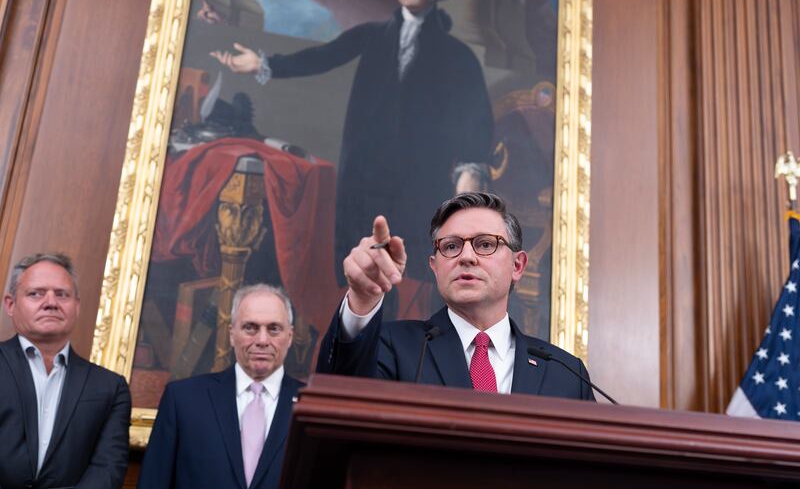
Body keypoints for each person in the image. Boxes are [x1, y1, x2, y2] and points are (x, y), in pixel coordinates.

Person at [211, 0, 494, 285]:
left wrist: (471, 169)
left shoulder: (457, 55)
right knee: (362, 266)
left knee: (414, 270)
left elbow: (475, 116)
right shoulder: (372, 35)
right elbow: (322, 57)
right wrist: (262, 64)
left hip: (420, 178)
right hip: (367, 174)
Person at [316, 193, 596, 400]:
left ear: (517, 266)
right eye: (451, 246)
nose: (466, 257)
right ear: (435, 267)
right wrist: (362, 299)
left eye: (485, 244)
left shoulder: (566, 374)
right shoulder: (393, 347)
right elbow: (338, 401)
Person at [138, 284, 302, 489]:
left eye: (274, 329)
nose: (262, 340)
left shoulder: (312, 406)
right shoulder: (183, 399)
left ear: (290, 336)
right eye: (250, 327)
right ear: (232, 334)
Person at [0, 253, 131, 489]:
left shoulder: (111, 387)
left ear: (77, 306)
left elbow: (107, 470)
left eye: (62, 294)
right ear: (11, 305)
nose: (51, 302)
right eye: (35, 293)